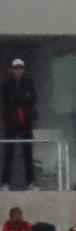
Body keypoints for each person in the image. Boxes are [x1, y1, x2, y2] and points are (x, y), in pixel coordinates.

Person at [1, 58, 38, 191]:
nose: (18, 70)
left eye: (20, 68)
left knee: (28, 153)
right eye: (16, 68)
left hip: (25, 122)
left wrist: (20, 100)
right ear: (11, 70)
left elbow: (32, 99)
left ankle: (31, 183)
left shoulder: (29, 83)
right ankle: (5, 183)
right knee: (8, 153)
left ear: (23, 69)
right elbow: (8, 101)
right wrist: (21, 99)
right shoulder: (7, 84)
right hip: (11, 122)